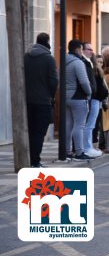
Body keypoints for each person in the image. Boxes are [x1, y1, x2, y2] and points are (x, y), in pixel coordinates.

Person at [24, 33, 58, 167]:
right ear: (48, 42)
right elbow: (54, 81)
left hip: (27, 101)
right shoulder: (49, 59)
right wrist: (50, 95)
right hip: (43, 101)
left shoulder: (26, 56)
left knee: (30, 131)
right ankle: (35, 161)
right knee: (39, 133)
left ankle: (29, 159)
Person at [65, 39, 93, 161]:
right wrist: (89, 93)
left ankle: (66, 150)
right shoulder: (78, 63)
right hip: (78, 97)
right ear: (77, 49)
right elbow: (84, 81)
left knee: (68, 125)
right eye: (81, 49)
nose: (82, 52)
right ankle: (79, 151)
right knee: (79, 125)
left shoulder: (64, 61)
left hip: (66, 96)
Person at [81, 43, 103, 158]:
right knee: (88, 125)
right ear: (83, 50)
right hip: (92, 98)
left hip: (95, 97)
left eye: (92, 49)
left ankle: (88, 147)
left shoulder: (91, 65)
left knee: (91, 124)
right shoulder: (85, 64)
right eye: (88, 49)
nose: (91, 51)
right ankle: (86, 147)